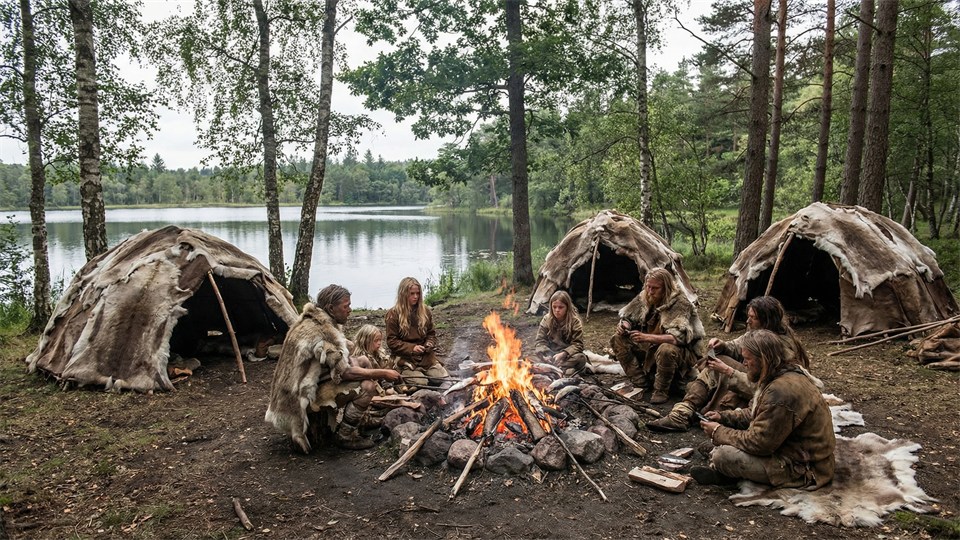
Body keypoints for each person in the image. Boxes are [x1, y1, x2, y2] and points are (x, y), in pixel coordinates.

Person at [265, 284, 401, 453]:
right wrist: (383, 373)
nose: (350, 310)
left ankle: (361, 419)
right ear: (331, 308)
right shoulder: (323, 332)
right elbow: (345, 372)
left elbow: (340, 352)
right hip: (295, 400)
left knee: (364, 360)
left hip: (288, 391)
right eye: (346, 306)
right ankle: (345, 436)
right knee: (368, 387)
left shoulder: (313, 320)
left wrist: (356, 354)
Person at [692, 329, 835, 488]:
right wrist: (724, 417)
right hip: (785, 447)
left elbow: (759, 443)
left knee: (723, 456)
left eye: (747, 359)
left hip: (803, 466)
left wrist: (718, 431)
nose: (744, 364)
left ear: (764, 360)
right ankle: (730, 472)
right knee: (716, 445)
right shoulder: (778, 374)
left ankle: (728, 477)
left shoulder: (781, 391)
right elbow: (757, 413)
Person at [647, 295, 810, 432]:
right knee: (716, 361)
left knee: (720, 364)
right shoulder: (757, 334)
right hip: (754, 385)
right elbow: (738, 346)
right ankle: (685, 411)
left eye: (753, 318)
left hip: (767, 397)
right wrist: (723, 345)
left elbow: (770, 388)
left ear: (765, 320)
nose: (747, 321)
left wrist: (728, 371)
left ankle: (683, 414)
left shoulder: (781, 350)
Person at [611, 268, 705, 404]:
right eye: (648, 286)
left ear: (666, 288)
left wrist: (646, 337)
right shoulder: (645, 297)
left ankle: (661, 390)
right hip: (651, 348)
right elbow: (629, 317)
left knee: (666, 348)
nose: (650, 291)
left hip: (680, 354)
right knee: (617, 339)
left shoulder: (680, 303)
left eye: (655, 288)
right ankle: (641, 382)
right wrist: (625, 325)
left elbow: (677, 338)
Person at [385, 277, 448, 388]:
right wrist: (412, 348)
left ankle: (430, 378)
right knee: (422, 383)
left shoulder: (425, 311)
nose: (415, 297)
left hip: (425, 358)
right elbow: (392, 342)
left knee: (443, 378)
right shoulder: (393, 314)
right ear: (403, 294)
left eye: (417, 293)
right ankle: (403, 374)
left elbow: (431, 334)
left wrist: (429, 343)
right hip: (405, 359)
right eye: (412, 294)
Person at [534, 290, 587, 375]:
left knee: (581, 358)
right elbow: (540, 341)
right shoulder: (546, 319)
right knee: (532, 357)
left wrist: (564, 353)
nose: (557, 310)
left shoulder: (575, 321)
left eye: (561, 307)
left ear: (567, 307)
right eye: (554, 307)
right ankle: (561, 369)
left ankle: (557, 369)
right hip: (551, 354)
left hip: (567, 356)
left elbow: (578, 344)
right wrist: (546, 354)